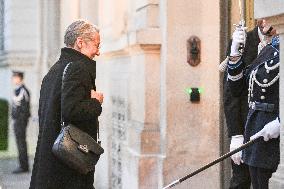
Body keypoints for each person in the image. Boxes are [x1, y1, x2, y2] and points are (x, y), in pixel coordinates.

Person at [30, 20, 104, 189]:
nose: (98, 52)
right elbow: (72, 111)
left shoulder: (55, 69)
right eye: (96, 45)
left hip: (53, 163)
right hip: (68, 167)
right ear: (80, 42)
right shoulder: (77, 68)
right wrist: (95, 102)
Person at [227, 19, 280, 189]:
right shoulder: (270, 48)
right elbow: (236, 88)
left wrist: (281, 122)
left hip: (274, 134)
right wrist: (234, 54)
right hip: (255, 130)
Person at [11, 71, 31, 174]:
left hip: (20, 122)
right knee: (19, 143)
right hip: (16, 122)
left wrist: (21, 122)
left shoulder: (24, 91)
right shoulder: (17, 90)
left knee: (21, 143)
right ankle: (22, 164)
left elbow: (25, 110)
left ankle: (24, 166)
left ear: (20, 78)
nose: (13, 79)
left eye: (15, 77)